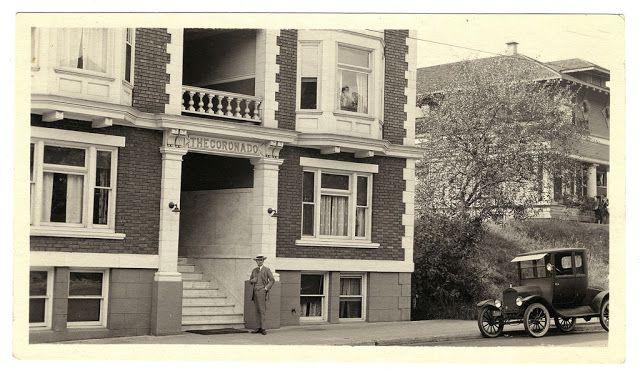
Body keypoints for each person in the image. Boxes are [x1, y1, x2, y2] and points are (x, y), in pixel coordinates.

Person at [249, 255, 274, 335]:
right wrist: (253, 280)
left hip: (262, 291)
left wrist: (266, 288)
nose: (259, 261)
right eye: (258, 260)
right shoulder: (254, 270)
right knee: (257, 310)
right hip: (255, 292)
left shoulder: (266, 270)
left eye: (261, 260)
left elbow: (272, 280)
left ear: (263, 261)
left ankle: (263, 328)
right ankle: (257, 328)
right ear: (256, 261)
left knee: (262, 310)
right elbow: (250, 280)